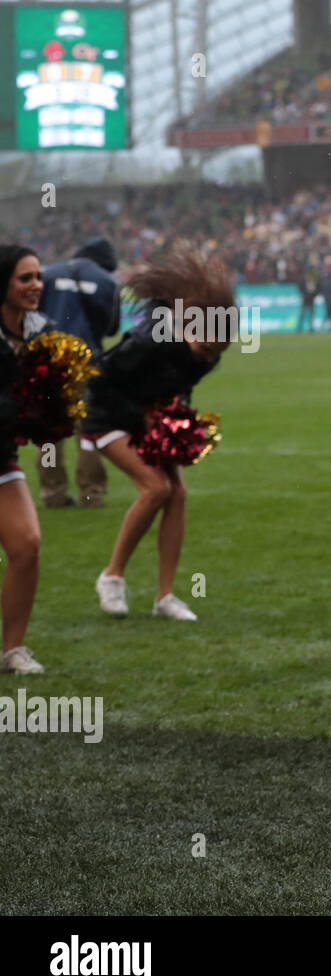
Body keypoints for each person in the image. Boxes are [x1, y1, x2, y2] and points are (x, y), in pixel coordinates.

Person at [83, 250, 236, 622]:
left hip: (148, 417)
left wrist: (175, 419)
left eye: (215, 353)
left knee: (178, 494)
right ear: (189, 329)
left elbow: (180, 385)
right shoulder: (151, 339)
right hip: (107, 416)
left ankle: (164, 597)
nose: (207, 359)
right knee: (156, 488)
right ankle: (112, 576)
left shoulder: (208, 355)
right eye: (203, 348)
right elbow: (97, 378)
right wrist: (144, 415)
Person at [0, 246, 55, 674]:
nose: (35, 284)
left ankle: (13, 650)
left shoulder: (40, 330)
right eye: (24, 277)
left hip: (1, 456)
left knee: (27, 545)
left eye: (38, 276)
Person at [36, 237, 120, 508]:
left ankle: (53, 494)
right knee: (89, 431)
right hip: (86, 361)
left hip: (48, 360)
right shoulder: (107, 282)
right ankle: (90, 494)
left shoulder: (48, 274)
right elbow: (112, 328)